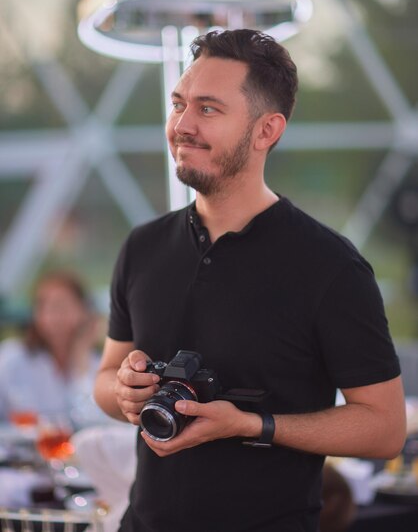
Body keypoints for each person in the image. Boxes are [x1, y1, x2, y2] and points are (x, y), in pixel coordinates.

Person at [94, 29, 406, 532]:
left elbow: (385, 428)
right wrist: (125, 391)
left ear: (267, 131)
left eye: (208, 109)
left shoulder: (330, 267)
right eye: (179, 104)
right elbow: (106, 380)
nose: (182, 124)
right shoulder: (143, 246)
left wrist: (254, 426)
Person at [0, 270, 105, 427]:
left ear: (84, 311)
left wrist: (81, 355)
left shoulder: (96, 363)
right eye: (43, 306)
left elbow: (95, 421)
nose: (52, 316)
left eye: (61, 306)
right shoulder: (13, 357)